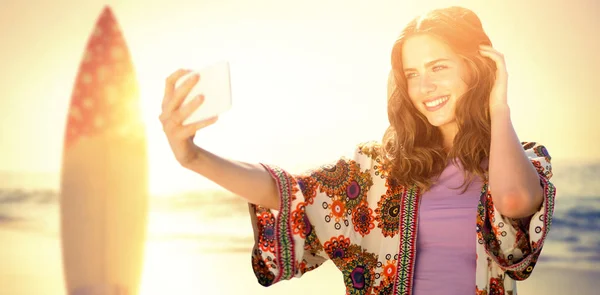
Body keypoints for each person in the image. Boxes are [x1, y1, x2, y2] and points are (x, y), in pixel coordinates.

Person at [159, 6, 556, 295]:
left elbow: (513, 200)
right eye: (413, 75)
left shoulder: (522, 159)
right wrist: (192, 157)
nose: (424, 87)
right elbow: (289, 193)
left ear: (476, 67)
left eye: (439, 68)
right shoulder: (380, 167)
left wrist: (498, 105)